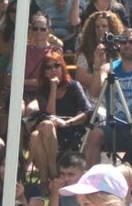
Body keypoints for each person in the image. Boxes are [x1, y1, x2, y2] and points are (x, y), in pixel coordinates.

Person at [84, 27, 132, 165]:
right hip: (114, 126)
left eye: (131, 41)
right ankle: (92, 179)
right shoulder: (109, 68)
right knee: (95, 134)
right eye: (123, 41)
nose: (127, 45)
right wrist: (97, 67)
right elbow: (95, 92)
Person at [28, 48, 91, 183]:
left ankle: (48, 177)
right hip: (50, 131)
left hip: (71, 129)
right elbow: (49, 114)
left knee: (40, 131)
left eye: (57, 65)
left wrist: (68, 123)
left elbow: (87, 111)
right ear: (44, 73)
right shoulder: (43, 90)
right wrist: (53, 89)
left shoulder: (74, 86)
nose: (53, 70)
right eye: (48, 67)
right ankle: (49, 176)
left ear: (62, 67)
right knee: (40, 131)